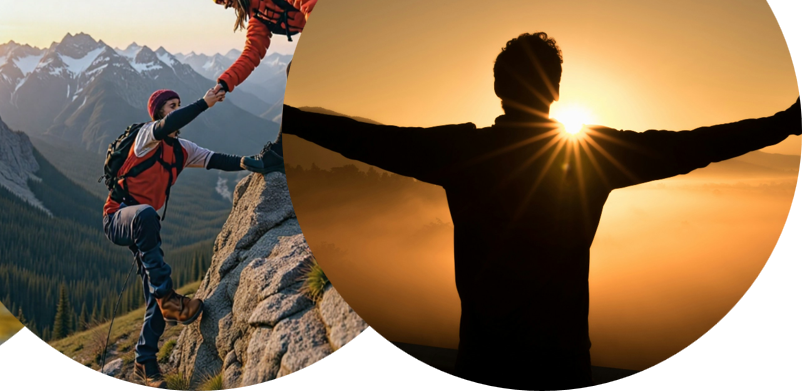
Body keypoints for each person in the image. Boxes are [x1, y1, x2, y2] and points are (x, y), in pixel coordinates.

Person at [282, 32, 802, 390]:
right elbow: (691, 146)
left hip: (483, 359)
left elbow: (365, 139)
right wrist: (786, 121)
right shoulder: (593, 155)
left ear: (498, 89)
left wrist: (291, 118)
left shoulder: (464, 152)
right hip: (563, 365)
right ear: (554, 90)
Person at [103, 85, 276, 385]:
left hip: (143, 226)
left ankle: (145, 363)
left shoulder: (182, 151)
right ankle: (169, 299)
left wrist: (252, 163)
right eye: (172, 106)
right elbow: (168, 125)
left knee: (154, 296)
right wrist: (205, 103)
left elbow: (215, 159)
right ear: (158, 113)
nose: (176, 110)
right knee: (147, 220)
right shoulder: (146, 137)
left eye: (178, 104)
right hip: (118, 217)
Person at [207, 0, 332, 94]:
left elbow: (315, 5)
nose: (225, 4)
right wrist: (224, 83)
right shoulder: (259, 12)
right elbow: (252, 53)